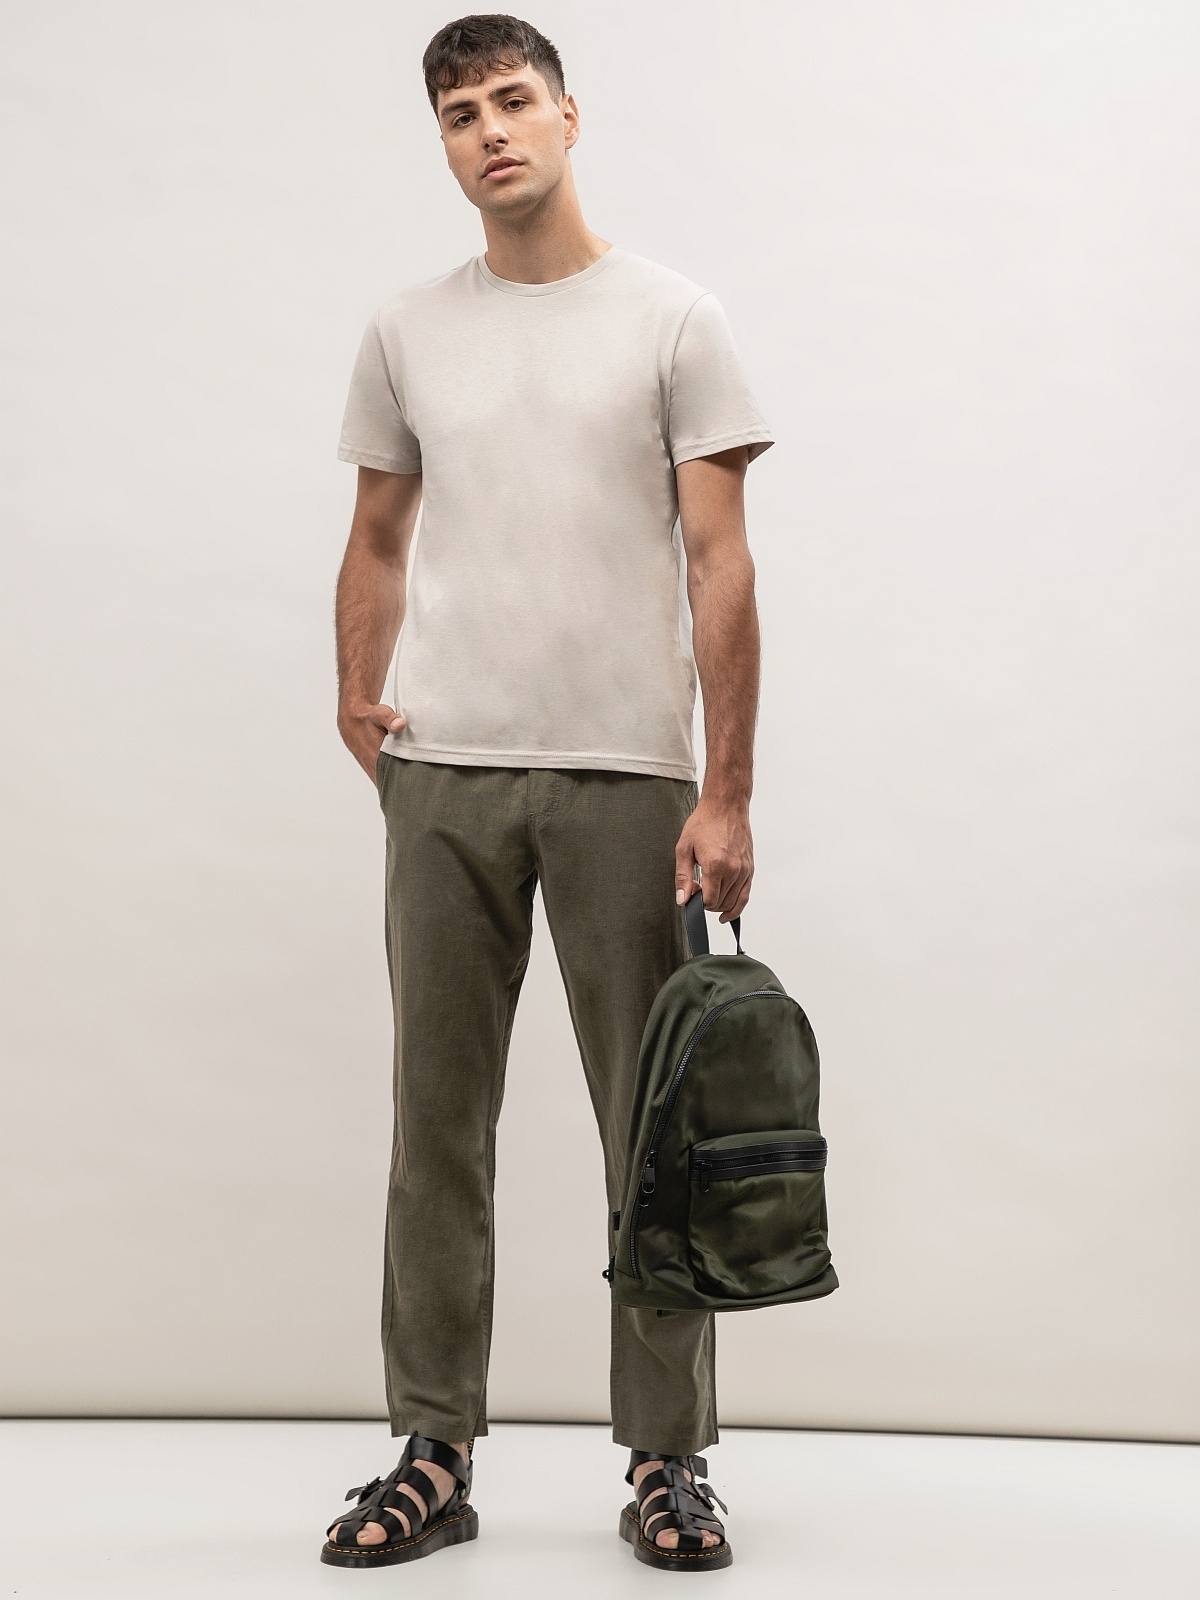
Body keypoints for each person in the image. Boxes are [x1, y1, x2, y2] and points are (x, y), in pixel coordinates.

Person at [322, 13, 772, 1574]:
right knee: (434, 1126)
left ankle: (667, 1460)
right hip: (444, 779)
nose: (490, 132)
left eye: (513, 101)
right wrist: (359, 698)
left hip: (626, 781)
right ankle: (432, 1449)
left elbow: (721, 564)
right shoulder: (406, 329)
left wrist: (726, 791)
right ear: (444, 142)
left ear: (569, 117)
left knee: (651, 1133)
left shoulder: (672, 319)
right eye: (460, 114)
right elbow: (378, 536)